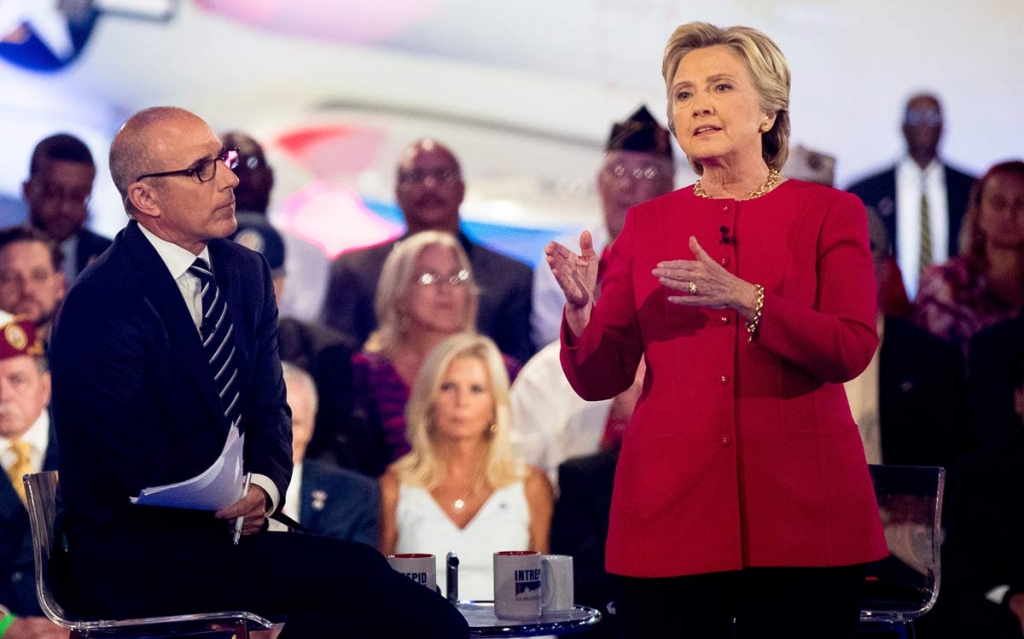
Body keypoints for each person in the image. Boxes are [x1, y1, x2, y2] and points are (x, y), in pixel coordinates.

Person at [47, 106, 467, 638]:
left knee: (403, 606)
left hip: (225, 542)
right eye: (203, 169)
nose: (229, 178)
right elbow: (130, 458)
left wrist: (264, 487)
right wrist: (226, 496)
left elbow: (270, 407)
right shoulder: (101, 300)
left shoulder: (244, 272)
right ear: (146, 198)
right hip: (132, 556)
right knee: (370, 592)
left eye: (220, 159)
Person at [546, 22, 887, 637]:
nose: (699, 103)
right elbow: (601, 377)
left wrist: (747, 299)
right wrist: (579, 312)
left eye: (721, 86)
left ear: (769, 110)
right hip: (668, 519)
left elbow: (852, 345)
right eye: (684, 93)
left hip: (804, 520)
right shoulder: (647, 224)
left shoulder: (829, 212)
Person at [323, 138, 535, 363]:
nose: (429, 186)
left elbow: (517, 368)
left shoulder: (511, 277)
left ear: (462, 190)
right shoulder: (354, 269)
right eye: (415, 177)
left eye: (442, 176)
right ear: (397, 193)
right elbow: (338, 360)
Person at [379, 332, 553, 598]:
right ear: (428, 400)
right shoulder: (395, 485)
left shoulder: (530, 485)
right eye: (448, 387)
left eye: (476, 389)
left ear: (495, 405)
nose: (461, 402)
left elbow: (544, 590)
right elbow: (379, 589)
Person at [346, 231, 522, 477]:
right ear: (398, 292)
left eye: (457, 277)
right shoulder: (364, 373)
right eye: (429, 277)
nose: (445, 288)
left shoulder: (501, 372)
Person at [229, 189, 357, 466]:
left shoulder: (324, 354)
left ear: (282, 285)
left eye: (265, 279)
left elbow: (339, 448)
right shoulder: (175, 344)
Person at [531, 106, 676, 347]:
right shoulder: (563, 258)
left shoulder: (683, 262)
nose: (627, 185)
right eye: (617, 170)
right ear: (599, 181)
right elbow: (548, 351)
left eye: (646, 172)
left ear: (669, 186)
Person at [846, 93, 975, 300]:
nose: (924, 123)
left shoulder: (971, 189)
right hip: (886, 315)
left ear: (943, 126)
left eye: (932, 116)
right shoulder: (866, 192)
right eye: (915, 116)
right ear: (902, 126)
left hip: (957, 317)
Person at [0, 316, 66, 639]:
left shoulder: (85, 444)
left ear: (45, 388)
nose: (2, 395)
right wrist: (4, 625)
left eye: (17, 380)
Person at [220, 131, 331, 323]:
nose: (241, 181)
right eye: (233, 170)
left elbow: (305, 323)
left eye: (252, 167)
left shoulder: (311, 256)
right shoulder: (184, 251)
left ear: (269, 177)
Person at [913, 160, 1024, 349]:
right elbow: (937, 364)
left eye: (1021, 203)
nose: (1009, 214)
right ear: (979, 213)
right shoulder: (946, 283)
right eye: (998, 203)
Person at [280, 362, 378, 546]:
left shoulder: (352, 493)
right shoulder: (220, 496)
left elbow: (361, 570)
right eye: (271, 422)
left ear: (311, 427)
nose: (281, 435)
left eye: (295, 424)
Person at [22, 133, 111, 286]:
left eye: (77, 196)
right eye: (52, 193)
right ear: (28, 190)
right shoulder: (4, 252)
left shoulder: (112, 258)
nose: (65, 208)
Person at [0, 226, 66, 343]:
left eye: (39, 276)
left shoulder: (89, 353)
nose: (27, 289)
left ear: (59, 285)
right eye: (10, 278)